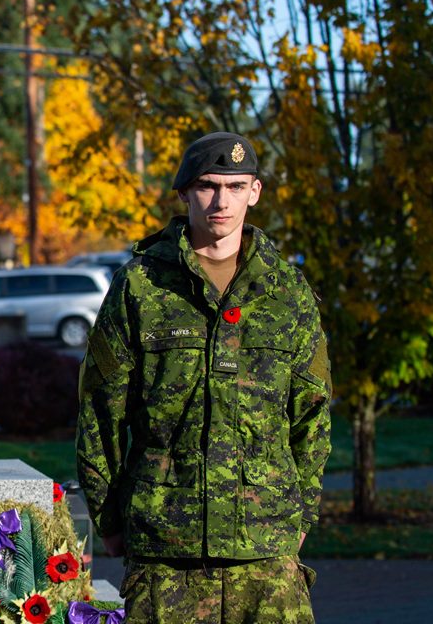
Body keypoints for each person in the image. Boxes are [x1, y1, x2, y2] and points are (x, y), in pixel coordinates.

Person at [76, 132, 332, 623]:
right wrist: (109, 518)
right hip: (166, 548)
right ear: (184, 193)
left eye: (236, 187)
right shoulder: (142, 285)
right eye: (208, 185)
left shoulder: (286, 290)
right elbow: (100, 411)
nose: (221, 200)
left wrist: (303, 513)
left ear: (254, 192)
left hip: (266, 549)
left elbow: (312, 412)